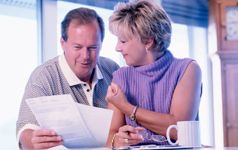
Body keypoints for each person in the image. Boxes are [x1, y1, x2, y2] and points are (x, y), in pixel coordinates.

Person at [16, 7, 119, 149]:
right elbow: (25, 131)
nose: (85, 56)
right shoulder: (43, 77)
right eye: (77, 47)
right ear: (62, 43)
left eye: (93, 48)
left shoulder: (112, 69)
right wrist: (32, 140)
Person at [105, 0, 202, 148]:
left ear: (148, 42)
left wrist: (127, 107)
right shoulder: (120, 76)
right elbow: (110, 137)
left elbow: (178, 130)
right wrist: (117, 140)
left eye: (123, 41)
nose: (117, 47)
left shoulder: (187, 69)